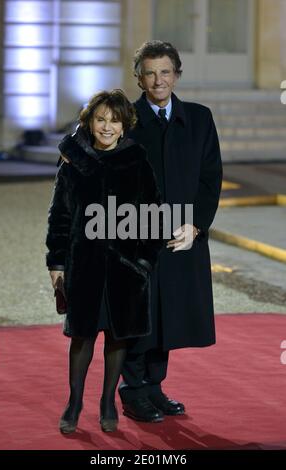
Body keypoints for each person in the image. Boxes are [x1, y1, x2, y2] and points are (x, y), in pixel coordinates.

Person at [46, 89, 163, 433]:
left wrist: (143, 262)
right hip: (84, 265)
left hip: (126, 270)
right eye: (101, 119)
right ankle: (74, 402)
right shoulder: (74, 161)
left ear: (125, 126)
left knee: (117, 337)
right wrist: (56, 264)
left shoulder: (137, 161)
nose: (107, 127)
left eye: (114, 120)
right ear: (89, 122)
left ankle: (108, 400)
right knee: (82, 337)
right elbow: (60, 217)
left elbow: (153, 215)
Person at [119, 40, 223, 422]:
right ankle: (132, 390)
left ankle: (155, 387)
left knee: (169, 315)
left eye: (165, 72)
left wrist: (196, 225)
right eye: (150, 72)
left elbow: (210, 178)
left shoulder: (198, 118)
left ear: (177, 74)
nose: (158, 80)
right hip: (135, 238)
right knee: (137, 316)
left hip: (182, 236)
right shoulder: (124, 118)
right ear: (139, 77)